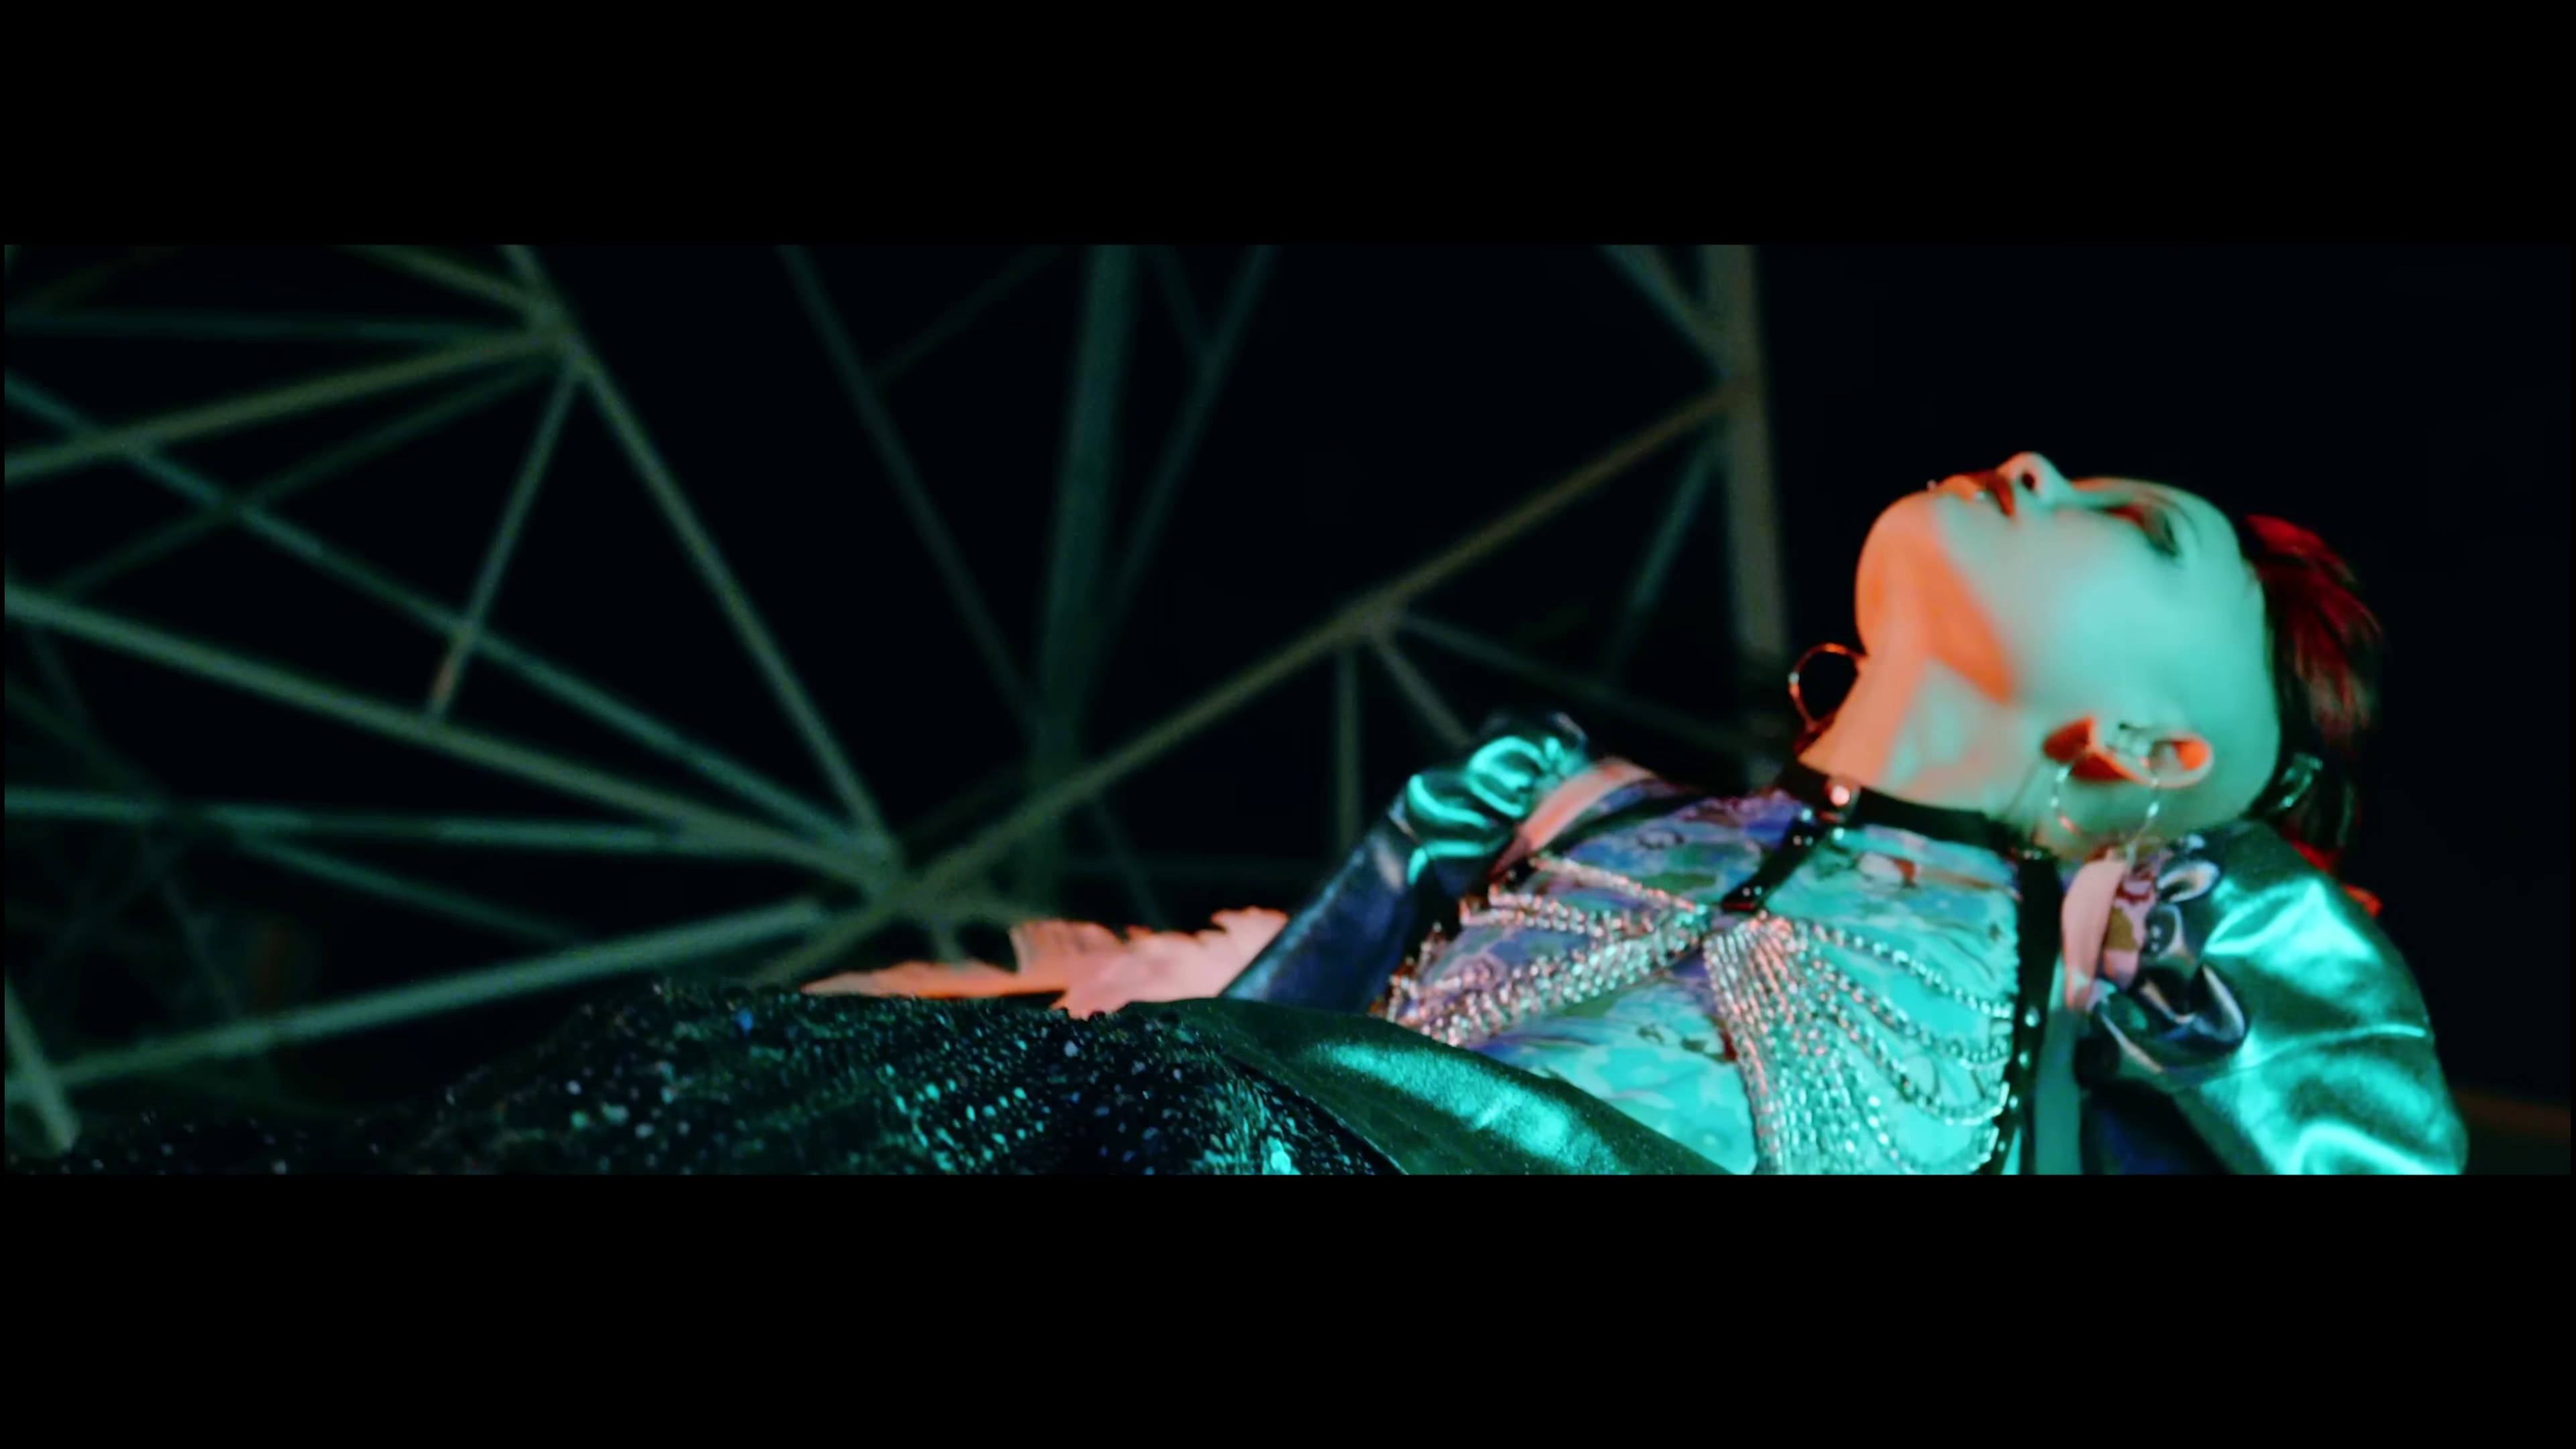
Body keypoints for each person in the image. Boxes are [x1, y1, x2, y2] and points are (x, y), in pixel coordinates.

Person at [9, 454, 2465, 1175]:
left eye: (2128, 527)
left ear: (2150, 755)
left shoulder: (2171, 939)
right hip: (1221, 1123)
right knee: (730, 1084)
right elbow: (1278, 1004)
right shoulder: (1546, 801)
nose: (2033, 458)